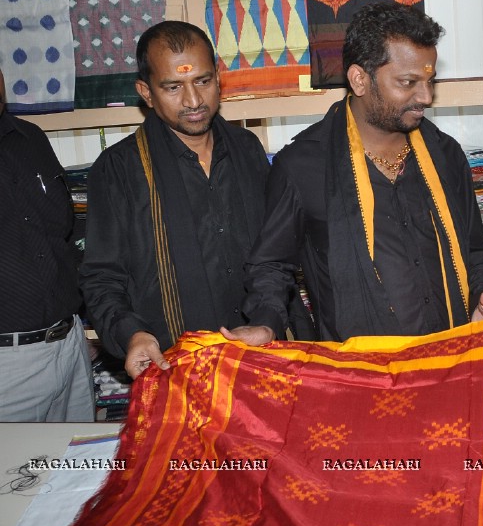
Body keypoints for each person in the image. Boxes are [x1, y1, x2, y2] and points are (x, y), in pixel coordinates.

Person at [226, 3, 483, 345]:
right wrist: (266, 323)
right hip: (361, 378)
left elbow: (476, 253)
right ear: (359, 79)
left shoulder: (445, 154)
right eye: (408, 82)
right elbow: (271, 266)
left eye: (429, 82)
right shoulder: (302, 166)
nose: (426, 97)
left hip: (452, 364)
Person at [79, 21, 298, 379]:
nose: (194, 101)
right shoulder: (119, 169)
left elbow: (274, 254)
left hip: (261, 356)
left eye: (203, 81)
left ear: (218, 78)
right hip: (175, 366)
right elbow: (102, 278)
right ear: (146, 93)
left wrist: (269, 320)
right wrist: (131, 333)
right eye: (173, 87)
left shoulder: (247, 149)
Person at [0, 66, 94, 421]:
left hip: (68, 348)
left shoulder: (31, 139)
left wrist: (70, 331)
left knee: (79, 467)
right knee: (15, 476)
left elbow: (61, 235)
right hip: (6, 367)